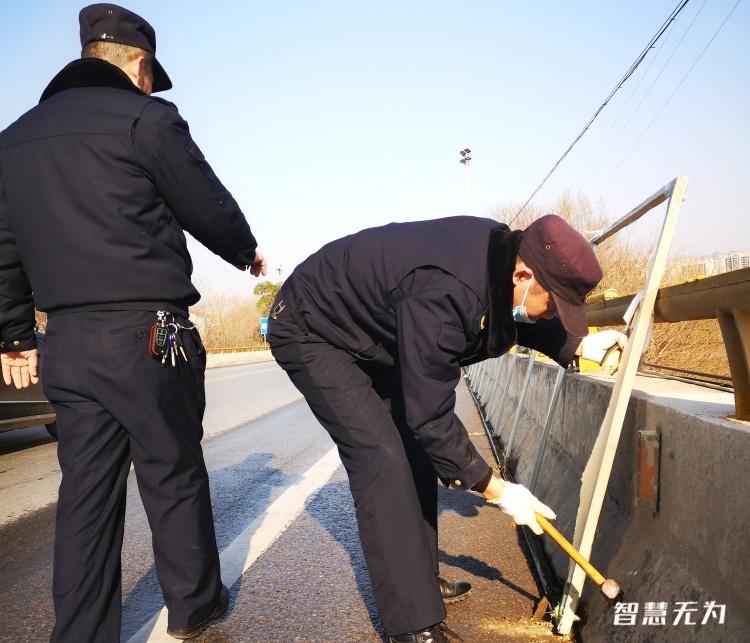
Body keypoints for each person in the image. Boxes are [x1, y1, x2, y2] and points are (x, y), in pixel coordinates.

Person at [0, 4, 265, 640]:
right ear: (139, 66)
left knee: (85, 494)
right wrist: (244, 248)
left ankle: (81, 632)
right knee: (171, 471)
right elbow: (202, 198)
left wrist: (13, 335)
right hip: (150, 336)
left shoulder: (13, 140)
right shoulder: (146, 118)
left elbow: (4, 247)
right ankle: (194, 605)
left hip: (65, 342)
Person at [267, 214, 624, 642]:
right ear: (523, 275)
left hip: (374, 333)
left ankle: (416, 581)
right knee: (381, 457)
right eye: (554, 305)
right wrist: (496, 489)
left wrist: (577, 344)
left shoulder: (502, 259)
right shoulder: (448, 290)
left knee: (416, 456)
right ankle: (411, 622)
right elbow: (431, 417)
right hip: (313, 328)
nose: (552, 314)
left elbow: (515, 313)